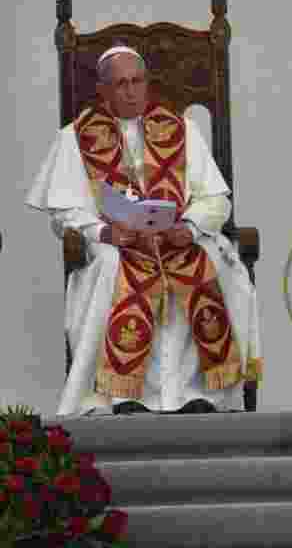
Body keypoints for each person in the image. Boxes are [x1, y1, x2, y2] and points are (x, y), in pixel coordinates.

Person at [26, 44, 262, 416]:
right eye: (120, 84)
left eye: (137, 81)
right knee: (110, 268)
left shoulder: (183, 129)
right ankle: (119, 397)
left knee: (212, 264)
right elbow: (64, 211)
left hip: (176, 238)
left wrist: (190, 225)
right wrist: (104, 233)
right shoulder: (75, 138)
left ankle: (199, 394)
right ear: (102, 90)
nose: (131, 91)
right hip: (118, 244)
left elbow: (216, 199)